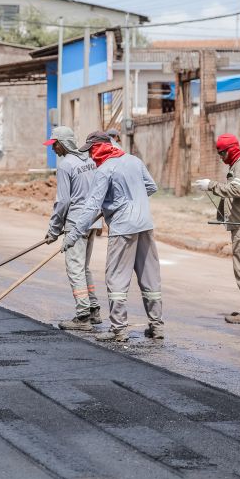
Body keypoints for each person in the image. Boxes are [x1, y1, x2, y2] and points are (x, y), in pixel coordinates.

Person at [65, 131, 164, 342]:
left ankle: (119, 330)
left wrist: (73, 234)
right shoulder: (134, 161)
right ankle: (157, 327)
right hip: (145, 224)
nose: (91, 156)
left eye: (91, 150)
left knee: (116, 279)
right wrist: (131, 199)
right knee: (150, 277)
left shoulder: (105, 169)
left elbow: (91, 206)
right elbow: (151, 187)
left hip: (123, 228)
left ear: (100, 147)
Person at [193, 133, 240, 325]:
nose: (221, 158)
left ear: (230, 150)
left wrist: (211, 186)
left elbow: (236, 190)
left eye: (222, 153)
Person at [43, 126, 103, 331]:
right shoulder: (89, 161)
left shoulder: (66, 165)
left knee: (75, 269)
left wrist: (53, 229)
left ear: (63, 143)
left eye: (55, 144)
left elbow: (63, 201)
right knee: (84, 267)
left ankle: (83, 316)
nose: (53, 149)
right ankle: (94, 309)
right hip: (93, 220)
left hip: (76, 223)